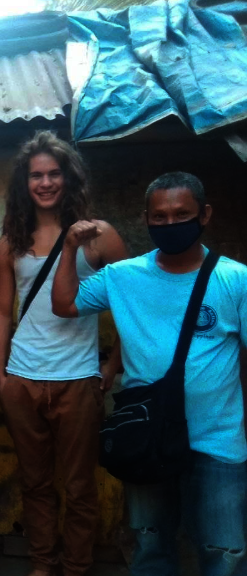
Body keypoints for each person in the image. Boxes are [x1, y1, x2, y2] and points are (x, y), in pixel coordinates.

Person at [51, 172, 247, 576]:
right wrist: (69, 248)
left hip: (219, 440)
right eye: (160, 216)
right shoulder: (123, 276)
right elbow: (65, 304)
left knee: (225, 552)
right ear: (145, 219)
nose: (170, 223)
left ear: (205, 215)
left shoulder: (236, 279)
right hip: (146, 438)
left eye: (182, 214)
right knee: (151, 545)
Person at [0, 130, 128, 576]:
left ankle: (76, 567)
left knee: (79, 486)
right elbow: (2, 310)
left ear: (69, 178)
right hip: (23, 378)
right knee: (35, 483)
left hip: (77, 380)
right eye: (36, 175)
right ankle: (42, 565)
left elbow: (134, 307)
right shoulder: (11, 240)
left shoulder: (99, 237)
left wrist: (112, 366)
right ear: (24, 182)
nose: (46, 182)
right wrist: (1, 376)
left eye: (54, 173)